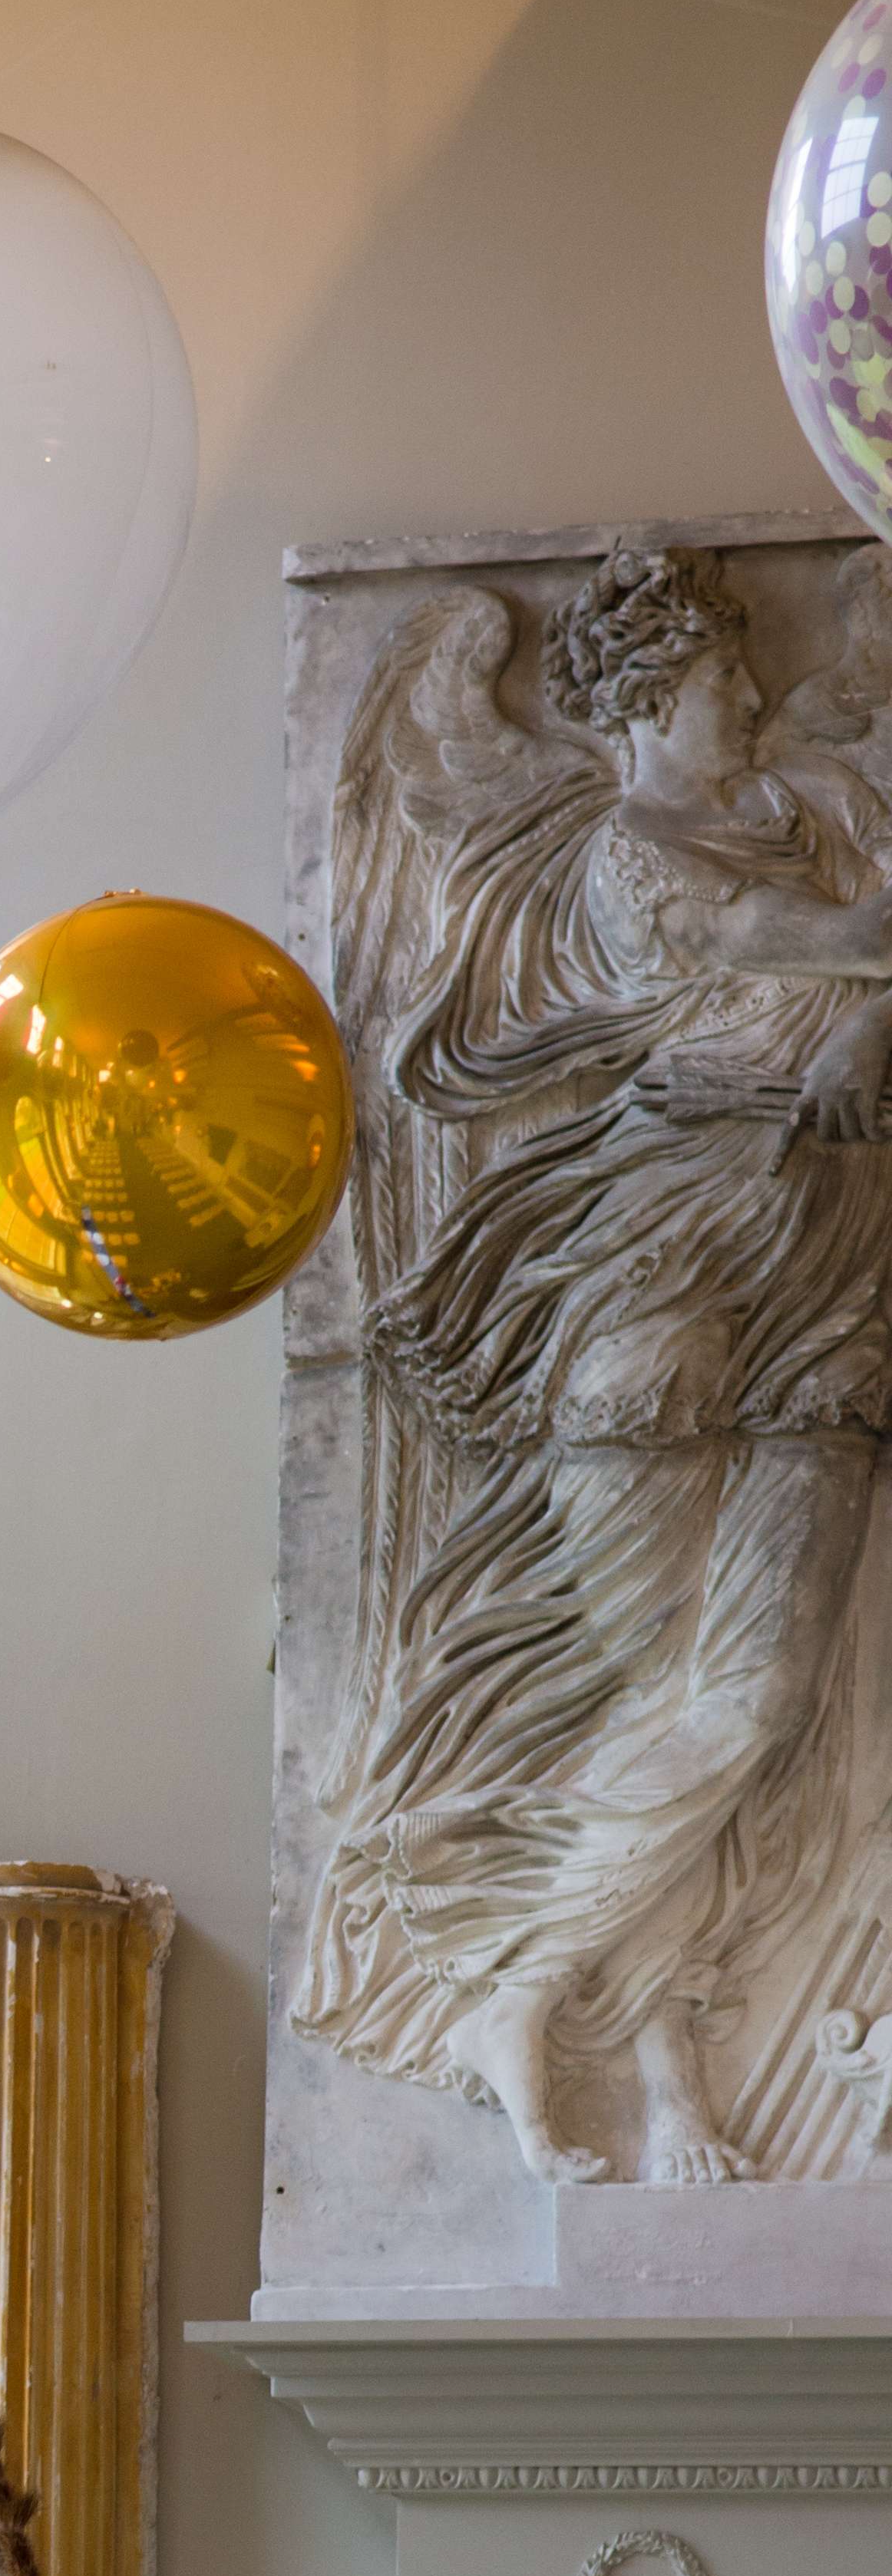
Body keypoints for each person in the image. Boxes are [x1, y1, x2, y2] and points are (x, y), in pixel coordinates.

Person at [298, 542, 892, 2184]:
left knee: (757, 1700)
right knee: (655, 1694)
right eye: (721, 679)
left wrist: (867, 1028)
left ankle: (600, 2014)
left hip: (830, 1264)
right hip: (664, 1255)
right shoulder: (638, 854)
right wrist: (864, 988)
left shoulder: (816, 810)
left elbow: (858, 963)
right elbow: (818, 941)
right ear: (639, 700)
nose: (754, 694)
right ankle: (556, 2013)